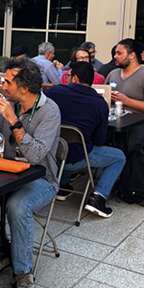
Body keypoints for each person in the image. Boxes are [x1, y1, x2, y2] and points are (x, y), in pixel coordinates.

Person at [0, 58, 61, 288]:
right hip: (6, 171)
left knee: (17, 206)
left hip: (41, 178)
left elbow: (36, 156)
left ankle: (23, 273)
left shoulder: (49, 110)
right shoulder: (10, 104)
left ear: (23, 87)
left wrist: (12, 119)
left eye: (7, 82)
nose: (2, 85)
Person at [46, 62, 126, 218]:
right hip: (77, 157)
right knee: (119, 157)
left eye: (68, 76)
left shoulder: (54, 92)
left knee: (66, 144)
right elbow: (99, 140)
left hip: (50, 153)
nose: (67, 78)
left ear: (74, 78)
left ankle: (62, 185)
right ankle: (98, 197)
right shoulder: (100, 103)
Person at [106, 38, 144, 152]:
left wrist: (126, 101)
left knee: (126, 146)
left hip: (143, 123)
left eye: (119, 53)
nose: (115, 56)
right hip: (116, 121)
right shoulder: (113, 74)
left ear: (131, 55)